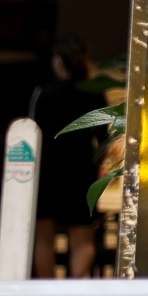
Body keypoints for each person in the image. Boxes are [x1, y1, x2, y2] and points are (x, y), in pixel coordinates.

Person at [29, 34, 102, 278]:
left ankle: (46, 290)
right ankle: (74, 287)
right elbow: (103, 139)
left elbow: (32, 135)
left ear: (58, 61)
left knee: (43, 238)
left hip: (47, 173)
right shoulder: (93, 94)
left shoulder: (44, 93)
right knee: (83, 239)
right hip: (82, 173)